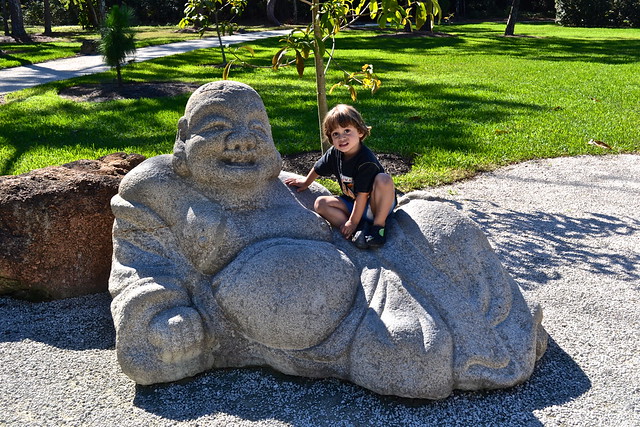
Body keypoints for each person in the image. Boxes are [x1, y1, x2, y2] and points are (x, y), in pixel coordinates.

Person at [285, 105, 396, 249]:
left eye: (347, 131)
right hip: (353, 202)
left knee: (384, 179)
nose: (341, 137)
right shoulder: (334, 153)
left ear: (360, 132)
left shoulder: (365, 161)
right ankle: (356, 231)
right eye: (335, 134)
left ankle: (378, 227)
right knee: (321, 203)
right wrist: (306, 182)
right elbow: (318, 167)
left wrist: (353, 220)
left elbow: (362, 196)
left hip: (375, 204)